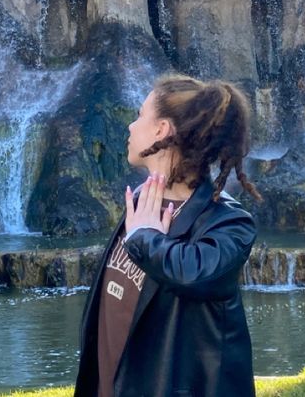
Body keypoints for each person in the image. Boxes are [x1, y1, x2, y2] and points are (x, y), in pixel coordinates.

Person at [74, 75, 260, 397]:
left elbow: (193, 273)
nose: (131, 126)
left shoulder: (228, 222)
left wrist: (144, 237)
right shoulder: (143, 202)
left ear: (162, 130)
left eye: (140, 115)